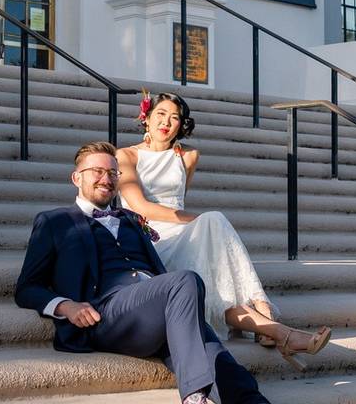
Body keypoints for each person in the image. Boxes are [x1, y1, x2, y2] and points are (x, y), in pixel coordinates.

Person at [15, 141, 270, 404]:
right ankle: (194, 396)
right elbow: (27, 288)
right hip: (105, 314)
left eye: (113, 173)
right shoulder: (54, 221)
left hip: (155, 311)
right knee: (185, 280)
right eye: (97, 171)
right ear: (76, 177)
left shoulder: (130, 220)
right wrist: (65, 306)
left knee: (219, 361)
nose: (106, 179)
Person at [116, 91, 331, 370]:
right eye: (160, 114)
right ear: (146, 118)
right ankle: (267, 316)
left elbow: (179, 197)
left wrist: (196, 222)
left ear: (182, 124)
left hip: (186, 231)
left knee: (213, 237)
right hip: (150, 236)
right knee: (213, 221)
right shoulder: (125, 155)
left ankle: (276, 330)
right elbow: (140, 207)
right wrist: (196, 220)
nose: (166, 122)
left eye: (174, 117)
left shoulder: (189, 156)